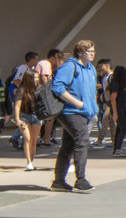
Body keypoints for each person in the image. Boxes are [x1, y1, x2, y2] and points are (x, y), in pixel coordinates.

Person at [49, 39, 98, 194]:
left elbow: (92, 92)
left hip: (85, 112)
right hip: (70, 111)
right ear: (80, 52)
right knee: (82, 141)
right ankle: (81, 180)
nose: (92, 54)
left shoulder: (90, 69)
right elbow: (57, 87)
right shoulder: (70, 66)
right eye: (89, 51)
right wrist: (77, 103)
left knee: (68, 146)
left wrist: (92, 109)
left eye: (93, 51)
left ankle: (58, 182)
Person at [11, 69, 42, 170]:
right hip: (24, 116)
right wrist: (17, 119)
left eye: (38, 77)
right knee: (27, 139)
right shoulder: (22, 90)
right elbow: (17, 106)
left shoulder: (38, 89)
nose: (37, 80)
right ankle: (28, 162)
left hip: (36, 116)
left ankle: (31, 162)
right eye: (35, 78)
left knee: (34, 140)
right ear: (29, 79)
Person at [107, 65, 126, 157]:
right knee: (124, 128)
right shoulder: (116, 84)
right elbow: (113, 98)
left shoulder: (124, 84)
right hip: (118, 108)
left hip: (123, 108)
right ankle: (117, 149)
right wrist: (115, 112)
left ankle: (116, 149)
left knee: (119, 129)